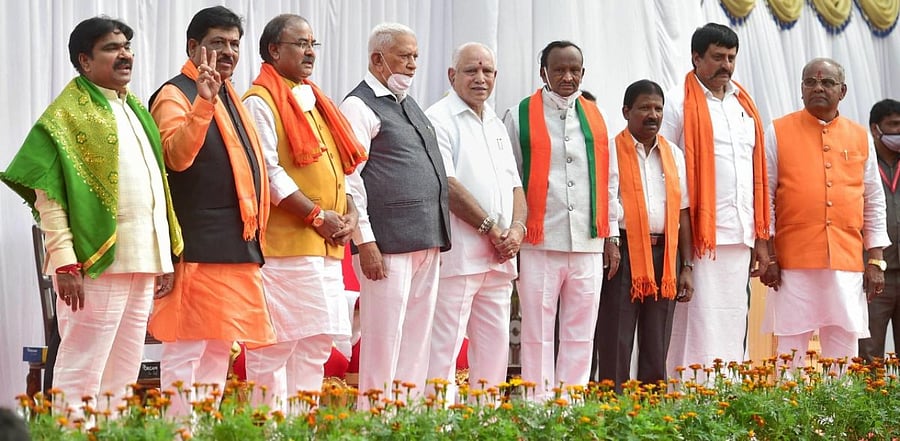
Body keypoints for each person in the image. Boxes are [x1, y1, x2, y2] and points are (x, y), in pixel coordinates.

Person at [1, 17, 178, 409]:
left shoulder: (135, 110)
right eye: (112, 48)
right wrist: (64, 261)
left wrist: (164, 258)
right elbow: (49, 196)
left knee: (125, 367)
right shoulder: (66, 115)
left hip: (141, 262)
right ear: (85, 60)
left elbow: (154, 192)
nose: (125, 55)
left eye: (127, 47)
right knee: (83, 365)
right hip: (93, 263)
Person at [147, 6, 275, 418]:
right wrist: (203, 103)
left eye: (234, 44)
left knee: (220, 347)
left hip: (236, 244)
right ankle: (178, 429)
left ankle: (200, 428)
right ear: (193, 47)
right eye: (217, 42)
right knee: (186, 346)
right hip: (198, 243)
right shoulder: (175, 93)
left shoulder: (230, 92)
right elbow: (176, 157)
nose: (228, 52)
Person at [241, 14, 367, 410]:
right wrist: (317, 217)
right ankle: (267, 429)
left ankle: (301, 426)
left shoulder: (314, 100)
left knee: (315, 344)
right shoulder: (259, 101)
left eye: (313, 44)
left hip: (326, 246)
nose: (310, 51)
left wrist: (347, 214)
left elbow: (337, 169)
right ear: (274, 50)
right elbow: (269, 174)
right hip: (287, 248)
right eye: (300, 43)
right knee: (276, 346)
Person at [340, 23, 450, 404]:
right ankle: (375, 417)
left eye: (417, 56)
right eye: (405, 56)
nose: (414, 64)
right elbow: (349, 179)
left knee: (417, 336)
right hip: (385, 245)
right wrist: (365, 241)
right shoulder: (358, 105)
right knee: (384, 338)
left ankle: (407, 415)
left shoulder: (407, 102)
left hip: (425, 238)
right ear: (377, 59)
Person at [503, 40, 619, 400]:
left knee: (581, 332)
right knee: (537, 331)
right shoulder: (518, 114)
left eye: (575, 70)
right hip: (539, 241)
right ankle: (539, 410)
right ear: (544, 73)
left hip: (587, 241)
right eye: (559, 70)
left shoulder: (598, 117)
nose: (568, 77)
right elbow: (510, 179)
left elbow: (610, 181)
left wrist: (611, 237)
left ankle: (569, 410)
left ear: (583, 73)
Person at [760, 58, 889, 369]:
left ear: (842, 91)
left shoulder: (860, 137)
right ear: (801, 89)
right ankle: (788, 416)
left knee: (842, 346)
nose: (818, 87)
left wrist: (875, 260)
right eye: (810, 82)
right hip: (793, 261)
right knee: (790, 347)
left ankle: (834, 417)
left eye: (827, 82)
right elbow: (765, 198)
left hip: (845, 261)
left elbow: (873, 199)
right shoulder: (777, 131)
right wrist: (768, 255)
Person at [659, 23, 770, 375]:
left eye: (731, 58)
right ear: (696, 57)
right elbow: (665, 170)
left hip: (739, 235)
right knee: (696, 321)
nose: (726, 65)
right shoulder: (677, 102)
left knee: (733, 319)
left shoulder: (744, 104)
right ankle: (690, 399)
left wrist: (761, 241)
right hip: (697, 237)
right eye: (718, 57)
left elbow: (757, 174)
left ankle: (725, 394)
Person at [424, 42, 526, 399]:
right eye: (471, 71)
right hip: (460, 257)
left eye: (487, 72)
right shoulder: (437, 119)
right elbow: (447, 185)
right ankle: (437, 427)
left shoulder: (496, 123)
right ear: (453, 75)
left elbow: (515, 185)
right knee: (444, 350)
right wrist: (492, 229)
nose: (480, 78)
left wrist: (517, 230)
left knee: (494, 351)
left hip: (498, 259)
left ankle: (485, 425)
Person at [592, 80, 694, 391]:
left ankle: (652, 419)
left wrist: (686, 266)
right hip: (621, 254)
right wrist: (611, 245)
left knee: (656, 343)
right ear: (626, 111)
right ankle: (613, 415)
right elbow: (605, 203)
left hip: (666, 258)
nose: (653, 114)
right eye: (644, 108)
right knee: (616, 341)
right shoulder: (609, 150)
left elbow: (683, 212)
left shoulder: (673, 155)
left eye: (658, 108)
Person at [860, 99, 900, 363]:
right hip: (876, 275)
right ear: (876, 129)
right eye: (894, 126)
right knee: (868, 354)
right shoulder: (861, 161)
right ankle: (872, 405)